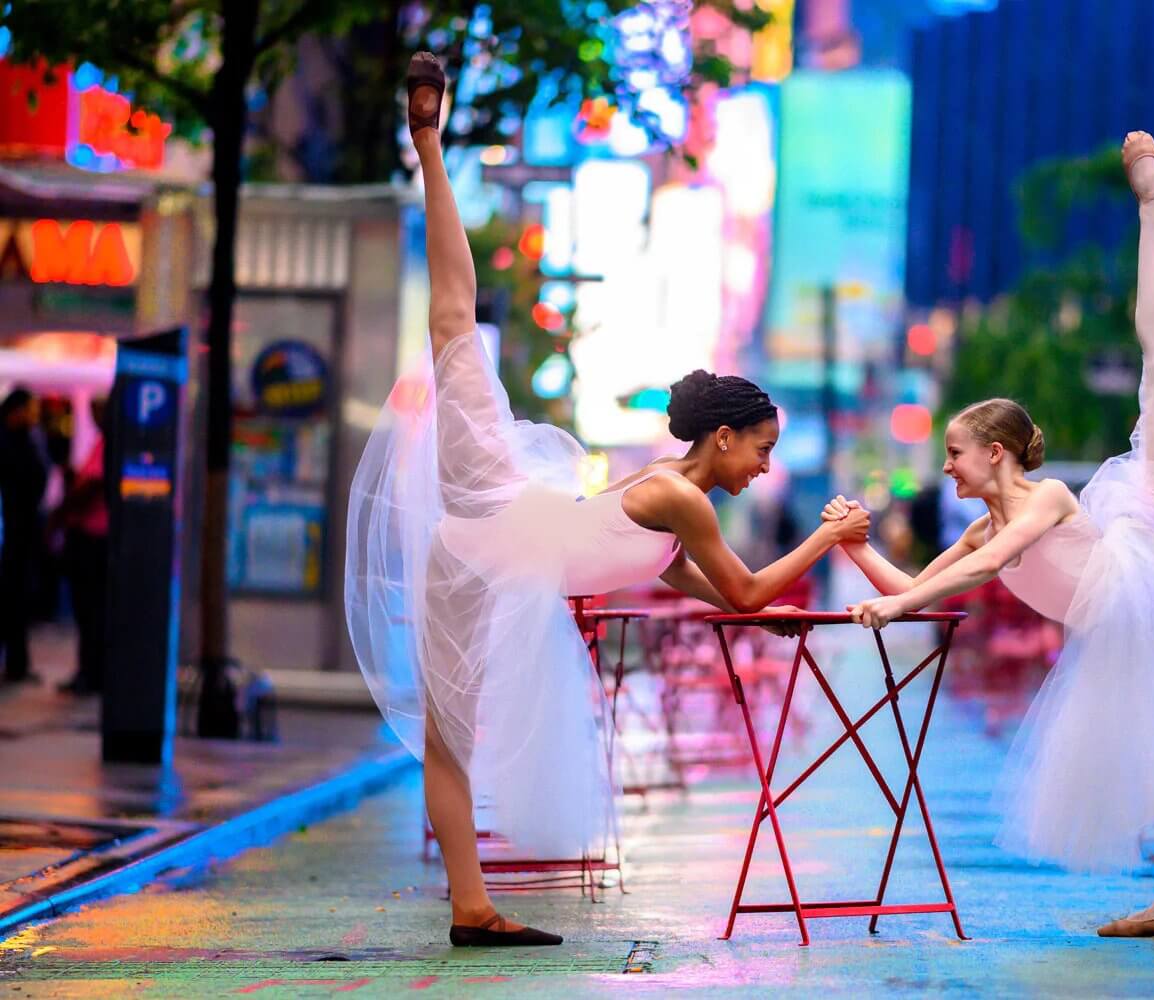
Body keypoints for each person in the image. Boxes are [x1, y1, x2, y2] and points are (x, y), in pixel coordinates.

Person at [345, 52, 870, 949]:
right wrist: (830, 539)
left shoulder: (667, 501)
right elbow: (741, 590)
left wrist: (762, 610)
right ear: (722, 439)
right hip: (495, 515)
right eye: (763, 450)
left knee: (449, 740)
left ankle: (472, 909)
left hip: (485, 542)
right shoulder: (682, 496)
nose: (764, 469)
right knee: (453, 323)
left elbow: (670, 578)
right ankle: (427, 141)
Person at [824, 133, 1154, 938]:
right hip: (1141, 601)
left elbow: (986, 570)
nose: (944, 468)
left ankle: (1153, 213)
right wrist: (854, 548)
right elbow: (915, 590)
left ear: (996, 453)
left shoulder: (1042, 499)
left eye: (953, 452)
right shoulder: (984, 526)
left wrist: (895, 609)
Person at [55, 398, 110, 695]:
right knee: (89, 610)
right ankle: (88, 671)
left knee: (91, 610)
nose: (94, 416)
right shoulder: (103, 442)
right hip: (90, 535)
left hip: (94, 536)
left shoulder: (110, 443)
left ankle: (91, 673)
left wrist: (64, 511)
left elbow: (94, 485)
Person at [0, 388, 48, 684]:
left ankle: (17, 663)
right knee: (11, 597)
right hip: (12, 532)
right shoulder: (10, 442)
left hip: (21, 532)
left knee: (17, 599)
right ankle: (15, 663)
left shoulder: (26, 438)